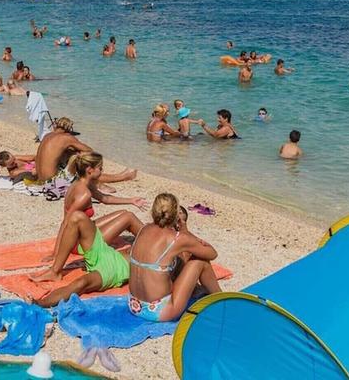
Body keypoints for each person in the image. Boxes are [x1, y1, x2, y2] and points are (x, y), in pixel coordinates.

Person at [29, 153, 144, 305]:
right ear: (90, 170)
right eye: (100, 168)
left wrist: (131, 201)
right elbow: (66, 223)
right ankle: (151, 239)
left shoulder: (81, 184)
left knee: (126, 214)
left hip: (83, 232)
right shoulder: (84, 195)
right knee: (126, 218)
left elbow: (105, 198)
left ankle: (150, 237)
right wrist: (56, 253)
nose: (102, 171)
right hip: (80, 242)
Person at [127, 193, 221, 322]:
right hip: (159, 312)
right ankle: (221, 300)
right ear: (175, 214)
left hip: (134, 305)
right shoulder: (177, 238)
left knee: (174, 260)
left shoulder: (144, 229)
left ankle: (202, 292)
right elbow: (212, 254)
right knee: (200, 262)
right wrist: (186, 232)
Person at [35, 117, 136, 184]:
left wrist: (68, 150)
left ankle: (119, 176)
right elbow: (90, 151)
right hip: (51, 182)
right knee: (82, 163)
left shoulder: (47, 136)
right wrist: (74, 151)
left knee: (71, 155)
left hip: (41, 178)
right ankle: (123, 177)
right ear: (68, 130)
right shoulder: (66, 138)